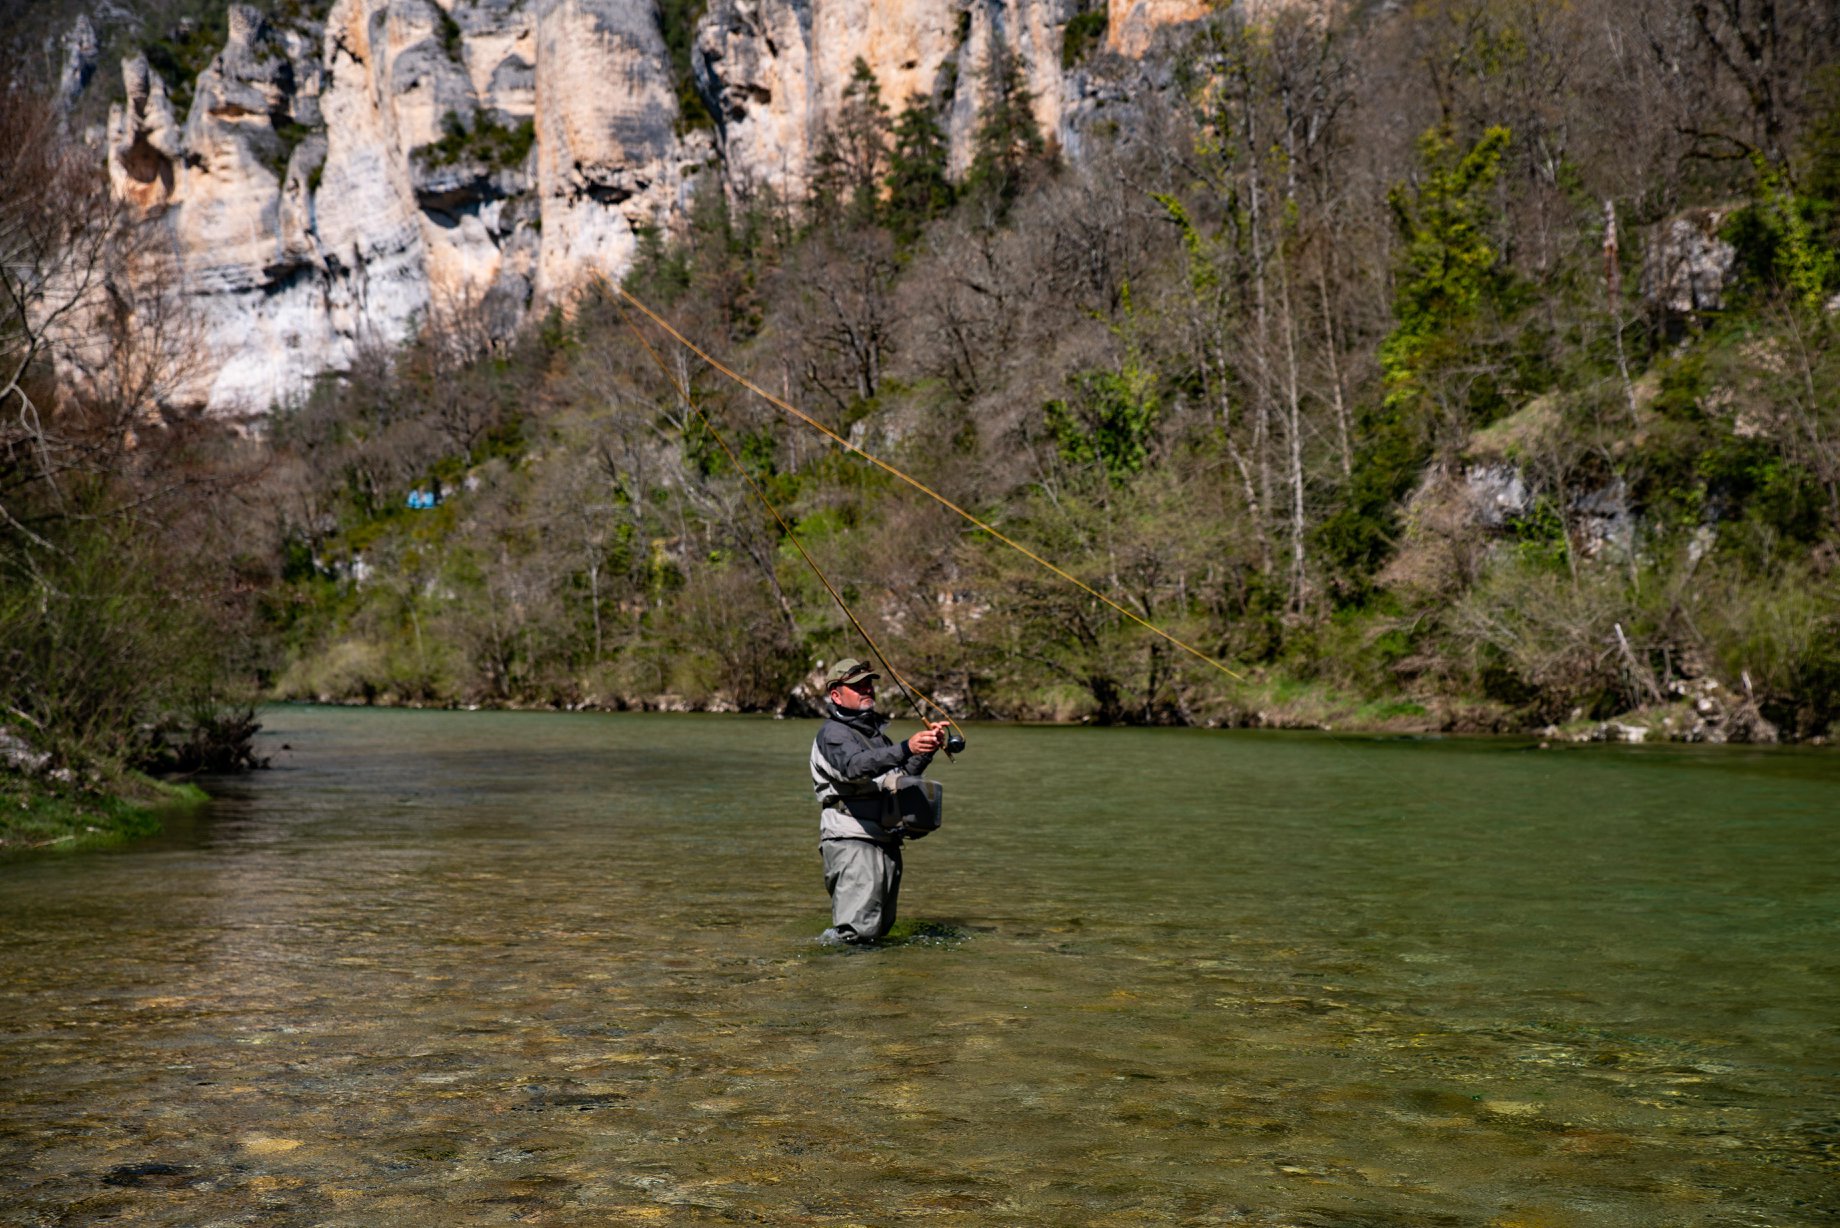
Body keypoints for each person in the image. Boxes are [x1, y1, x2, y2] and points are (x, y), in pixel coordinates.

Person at [809, 657, 949, 945]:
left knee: (878, 933)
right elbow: (854, 767)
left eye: (869, 685)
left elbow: (900, 776)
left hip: (883, 839)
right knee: (857, 937)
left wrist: (925, 750)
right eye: (857, 687)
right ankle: (842, 987)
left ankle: (879, 989)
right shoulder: (834, 733)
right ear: (836, 694)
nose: (867, 690)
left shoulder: (875, 738)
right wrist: (905, 747)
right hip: (853, 840)